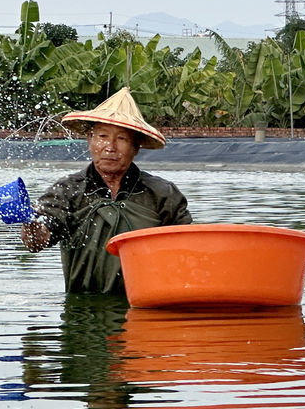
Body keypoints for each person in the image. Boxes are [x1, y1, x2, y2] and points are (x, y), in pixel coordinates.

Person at [19, 87, 192, 295]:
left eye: (121, 139)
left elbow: (187, 252)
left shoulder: (162, 194)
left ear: (136, 147)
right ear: (89, 140)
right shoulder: (67, 190)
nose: (110, 147)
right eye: (102, 136)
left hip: (144, 306)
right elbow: (37, 242)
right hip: (82, 313)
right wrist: (29, 221)